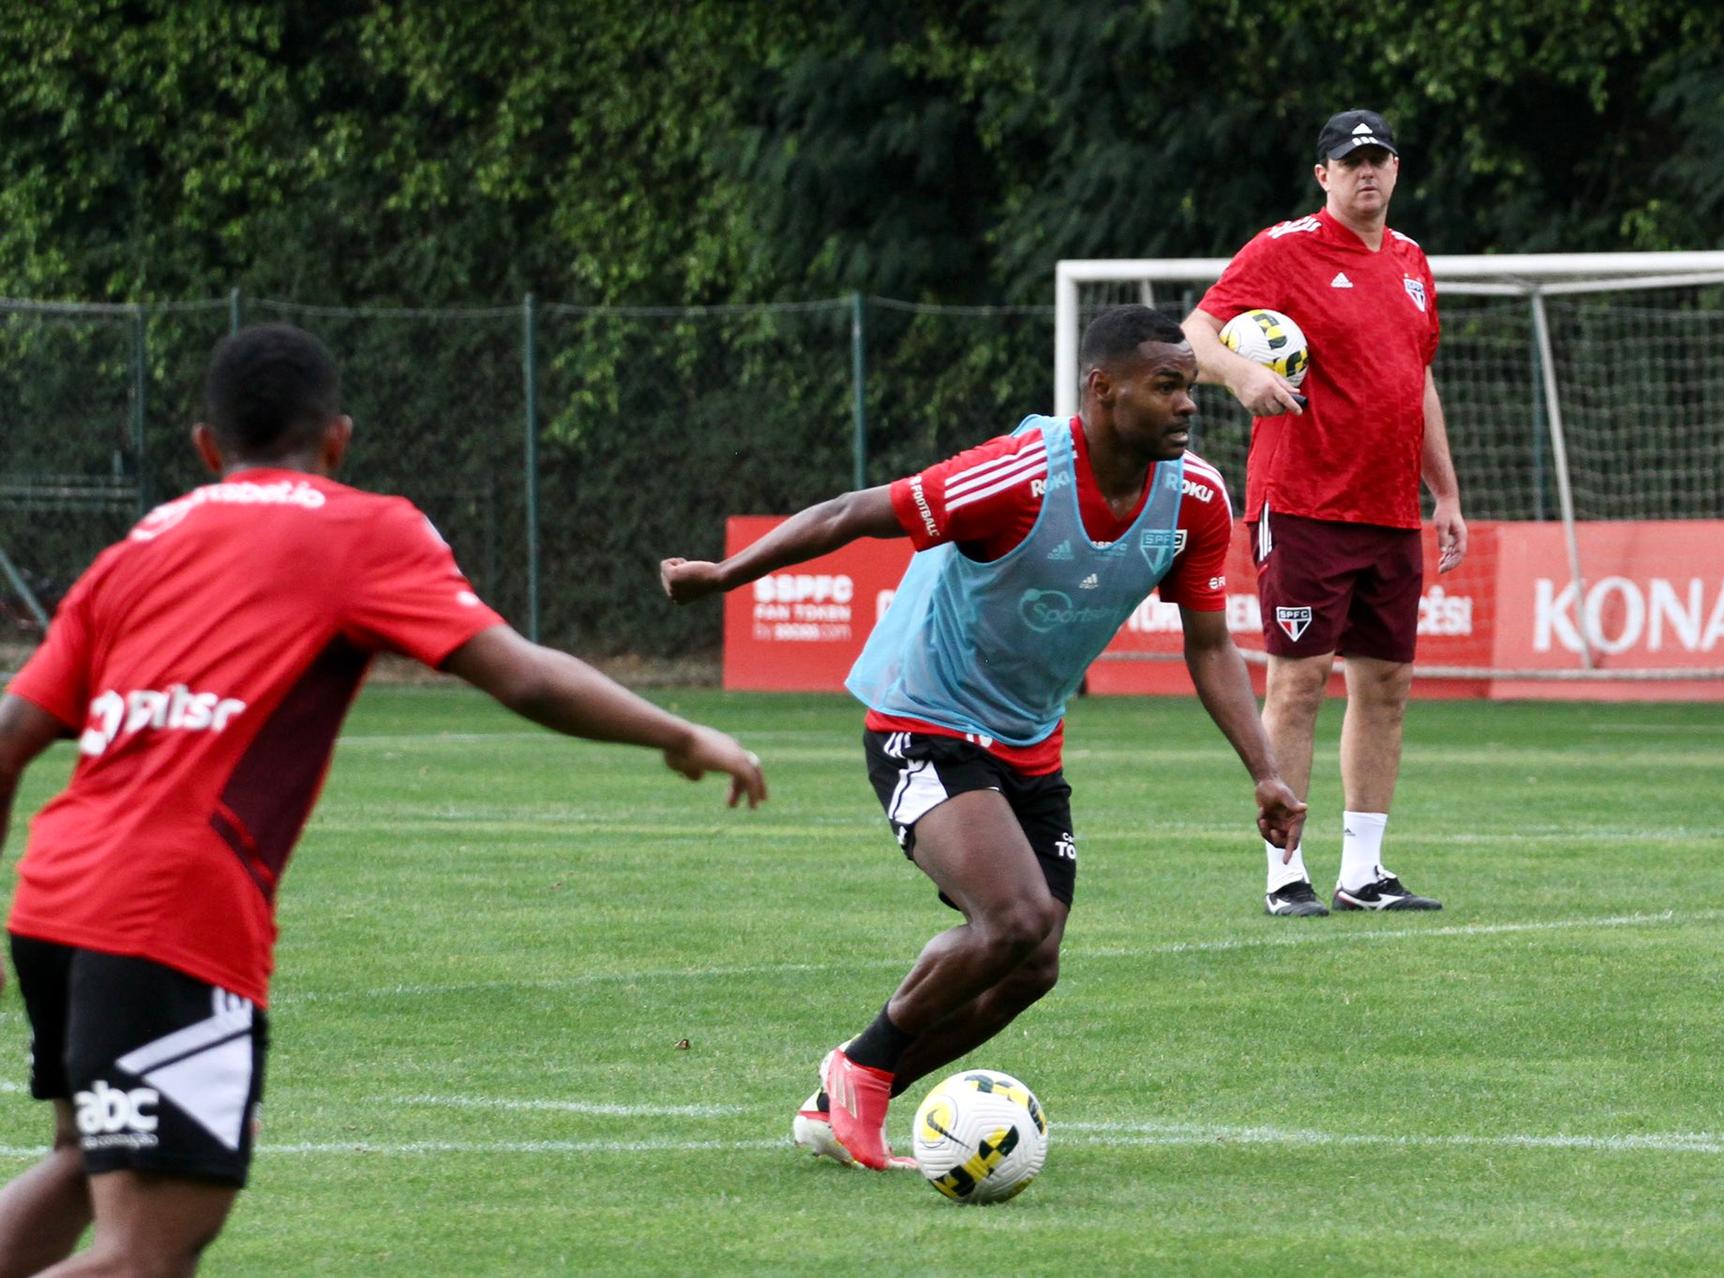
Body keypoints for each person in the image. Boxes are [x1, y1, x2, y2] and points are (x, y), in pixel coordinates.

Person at [0, 323, 767, 1276]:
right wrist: (681, 732)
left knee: (82, 1165)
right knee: (147, 1250)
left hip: (51, 902)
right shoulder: (361, 527)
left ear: (206, 447)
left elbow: (8, 735)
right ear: (339, 439)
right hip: (168, 908)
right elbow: (518, 674)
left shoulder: (139, 547)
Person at [660, 305, 1305, 1171]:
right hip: (921, 722)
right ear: (1101, 389)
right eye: (1167, 387)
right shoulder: (1019, 475)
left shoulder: (1192, 498)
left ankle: (849, 1088)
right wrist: (725, 575)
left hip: (1029, 743)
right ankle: (859, 1068)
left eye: (1190, 386)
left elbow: (1209, 645)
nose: (1189, 405)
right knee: (1014, 917)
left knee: (1032, 965)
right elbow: (856, 511)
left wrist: (1264, 772)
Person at [1180, 108, 1466, 918]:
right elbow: (1194, 334)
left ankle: (1365, 872)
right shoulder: (1285, 249)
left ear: (1397, 171)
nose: (1366, 172)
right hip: (1304, 503)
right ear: (1324, 176)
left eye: (1379, 160)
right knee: (1299, 683)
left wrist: (1444, 493)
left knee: (1387, 685)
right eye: (1351, 162)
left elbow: (1417, 381)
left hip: (1387, 510)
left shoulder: (1412, 262)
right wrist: (1239, 375)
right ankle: (1284, 874)